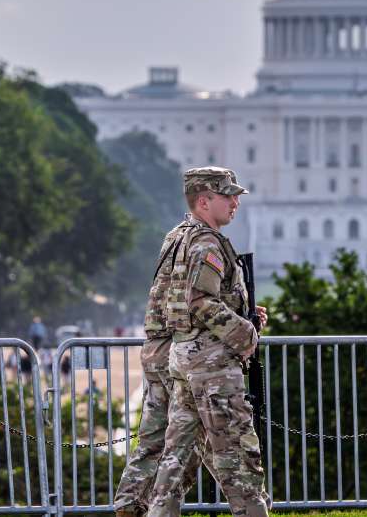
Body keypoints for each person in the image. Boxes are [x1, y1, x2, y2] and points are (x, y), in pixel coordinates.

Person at [145, 167, 269, 517]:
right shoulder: (206, 242)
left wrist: (244, 313)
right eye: (227, 196)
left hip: (187, 358)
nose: (235, 203)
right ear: (204, 201)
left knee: (176, 459)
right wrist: (245, 334)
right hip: (211, 365)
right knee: (239, 461)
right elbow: (200, 300)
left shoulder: (191, 238)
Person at [113, 207, 210, 517]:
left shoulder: (174, 236)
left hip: (156, 345)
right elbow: (194, 302)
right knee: (200, 435)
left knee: (153, 437)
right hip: (175, 348)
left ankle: (129, 503)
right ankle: (249, 500)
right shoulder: (198, 241)